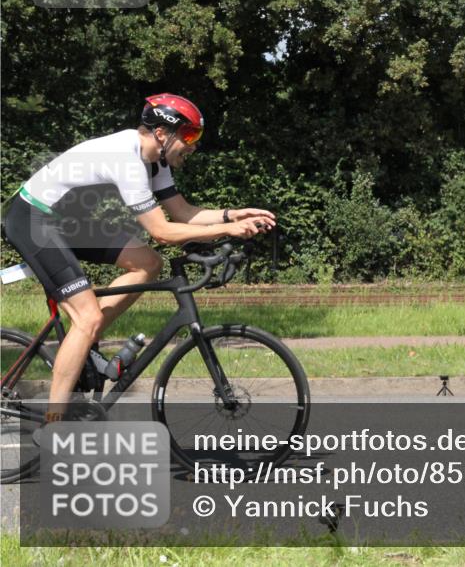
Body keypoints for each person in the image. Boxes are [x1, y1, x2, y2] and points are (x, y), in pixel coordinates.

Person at [1, 93, 275, 425]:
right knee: (86, 318)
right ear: (162, 133)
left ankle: (83, 344)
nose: (193, 145)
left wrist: (233, 214)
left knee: (148, 263)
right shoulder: (126, 159)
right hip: (34, 221)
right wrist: (229, 230)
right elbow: (162, 231)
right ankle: (55, 425)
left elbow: (183, 212)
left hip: (67, 224)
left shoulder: (155, 161)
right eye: (189, 135)